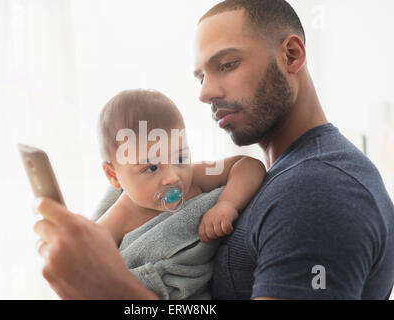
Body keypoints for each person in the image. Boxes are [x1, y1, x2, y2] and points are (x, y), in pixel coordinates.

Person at [33, 0, 394, 300]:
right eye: (201, 76)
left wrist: (112, 291)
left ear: (291, 54)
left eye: (226, 65)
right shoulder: (281, 177)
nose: (205, 92)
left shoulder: (320, 191)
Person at [93, 89, 265, 299]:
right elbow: (86, 258)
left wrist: (226, 204)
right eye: (151, 168)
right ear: (114, 176)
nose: (173, 176)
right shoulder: (123, 214)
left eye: (180, 158)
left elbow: (248, 165)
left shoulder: (196, 177)